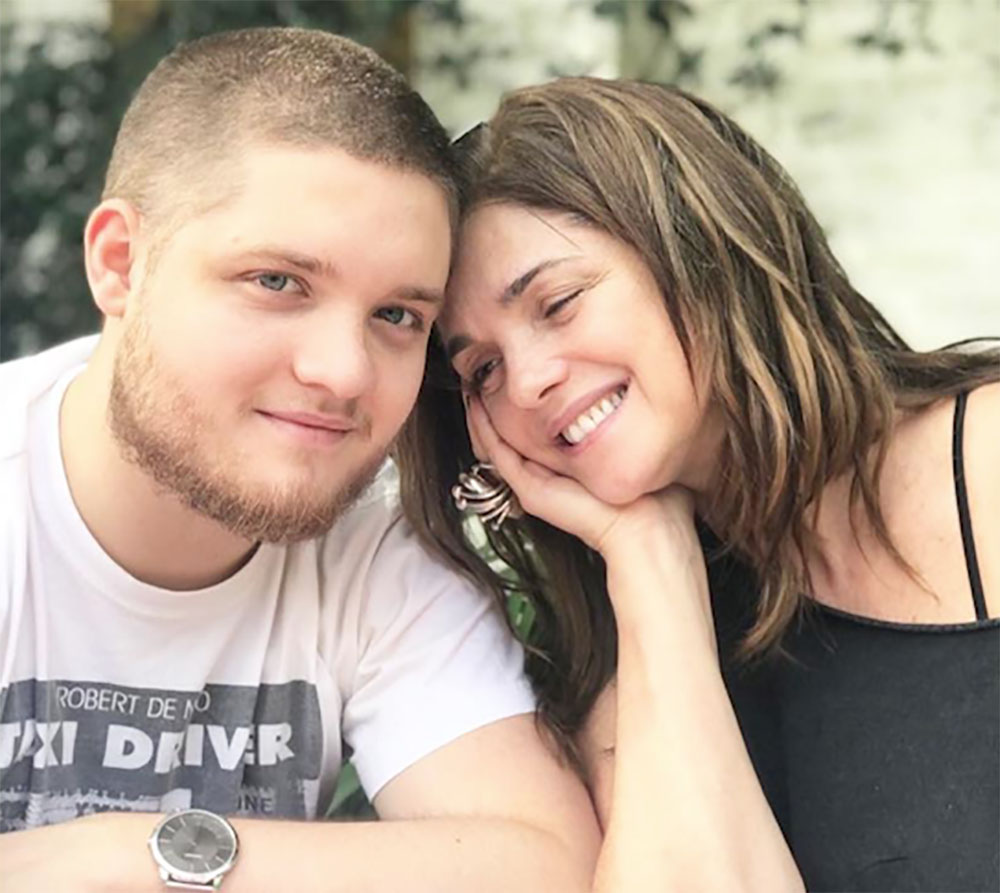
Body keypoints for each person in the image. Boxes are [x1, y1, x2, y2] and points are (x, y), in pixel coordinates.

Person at [0, 29, 601, 892]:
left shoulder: (376, 541)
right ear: (120, 265)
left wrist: (125, 855)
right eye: (278, 282)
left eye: (396, 316)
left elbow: (538, 861)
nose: (344, 372)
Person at [397, 78, 1000, 892]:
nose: (528, 382)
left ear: (697, 248)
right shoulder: (622, 647)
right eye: (483, 369)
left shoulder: (985, 462)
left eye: (558, 302)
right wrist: (650, 558)